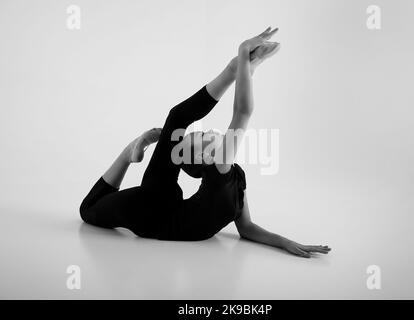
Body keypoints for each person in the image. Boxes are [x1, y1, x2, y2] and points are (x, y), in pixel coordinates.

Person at [80, 27, 331, 258]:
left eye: (198, 134)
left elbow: (247, 228)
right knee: (89, 211)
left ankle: (233, 70)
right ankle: (130, 152)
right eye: (199, 136)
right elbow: (242, 114)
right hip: (151, 209)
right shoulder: (223, 171)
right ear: (203, 157)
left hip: (153, 212)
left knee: (176, 118)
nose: (206, 130)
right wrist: (243, 52)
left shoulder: (223, 172)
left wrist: (285, 243)